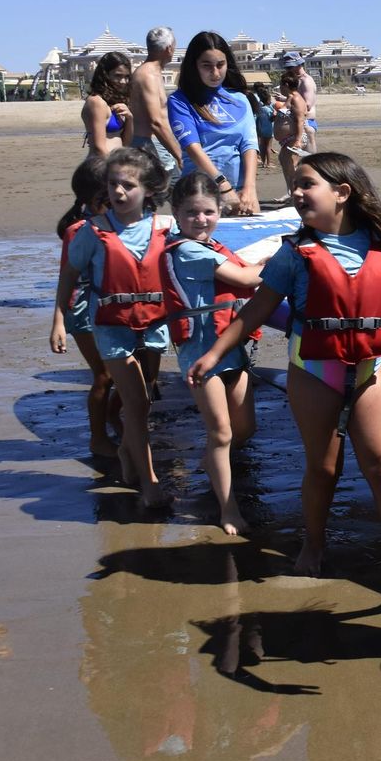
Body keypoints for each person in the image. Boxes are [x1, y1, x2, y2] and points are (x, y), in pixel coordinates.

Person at [189, 153, 381, 578]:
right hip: (314, 372)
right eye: (296, 185)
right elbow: (254, 312)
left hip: (369, 372)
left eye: (307, 184)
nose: (295, 193)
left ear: (342, 193)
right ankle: (313, 544)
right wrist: (214, 354)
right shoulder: (294, 254)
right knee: (324, 467)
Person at [51, 147, 171, 508]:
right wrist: (58, 319)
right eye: (113, 184)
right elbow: (69, 275)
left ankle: (125, 451)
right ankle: (149, 481)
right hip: (111, 327)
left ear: (149, 190)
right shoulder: (92, 231)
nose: (118, 192)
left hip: (154, 323)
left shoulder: (166, 228)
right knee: (134, 403)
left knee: (144, 400)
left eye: (128, 185)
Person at [163, 172, 262, 536]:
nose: (201, 220)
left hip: (231, 351)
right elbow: (248, 279)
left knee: (244, 428)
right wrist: (286, 258)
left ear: (219, 211)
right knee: (220, 432)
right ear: (175, 213)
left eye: (208, 212)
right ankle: (227, 507)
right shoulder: (187, 250)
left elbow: (244, 273)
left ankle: (210, 462)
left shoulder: (214, 246)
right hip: (201, 354)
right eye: (191, 213)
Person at [49, 156, 118, 459]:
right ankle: (98, 437)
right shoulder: (79, 229)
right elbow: (67, 276)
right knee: (104, 375)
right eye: (112, 193)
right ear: (93, 199)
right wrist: (58, 322)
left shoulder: (123, 221)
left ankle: (115, 416)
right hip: (84, 309)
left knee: (130, 372)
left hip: (113, 304)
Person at [167, 31, 260, 216]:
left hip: (241, 191)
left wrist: (249, 189)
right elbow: (193, 149)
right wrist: (223, 187)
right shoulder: (179, 101)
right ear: (195, 66)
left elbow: (249, 145)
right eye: (207, 66)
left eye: (220, 65)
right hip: (200, 192)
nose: (215, 73)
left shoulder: (240, 99)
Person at [128, 26, 183, 190]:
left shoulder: (151, 72)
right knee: (179, 192)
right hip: (149, 143)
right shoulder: (149, 75)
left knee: (152, 194)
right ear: (169, 48)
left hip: (149, 142)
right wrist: (179, 155)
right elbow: (156, 121)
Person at [81, 52, 132, 156]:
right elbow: (98, 147)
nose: (123, 81)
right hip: (102, 165)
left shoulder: (117, 101)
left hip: (117, 161)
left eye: (126, 76)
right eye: (118, 76)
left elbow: (126, 143)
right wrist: (113, 168)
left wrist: (130, 118)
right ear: (105, 75)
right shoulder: (96, 102)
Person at [273, 67, 312, 198]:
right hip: (288, 139)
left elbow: (300, 120)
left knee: (292, 168)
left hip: (295, 138)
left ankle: (297, 195)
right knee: (285, 164)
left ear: (287, 85)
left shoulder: (297, 99)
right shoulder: (290, 98)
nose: (280, 88)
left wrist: (298, 140)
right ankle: (291, 193)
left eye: (282, 85)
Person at [281, 52, 318, 153]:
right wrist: (285, 99)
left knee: (309, 158)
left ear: (298, 65)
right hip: (299, 121)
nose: (287, 70)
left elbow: (307, 105)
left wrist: (287, 103)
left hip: (307, 123)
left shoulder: (306, 81)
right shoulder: (297, 80)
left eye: (289, 67)